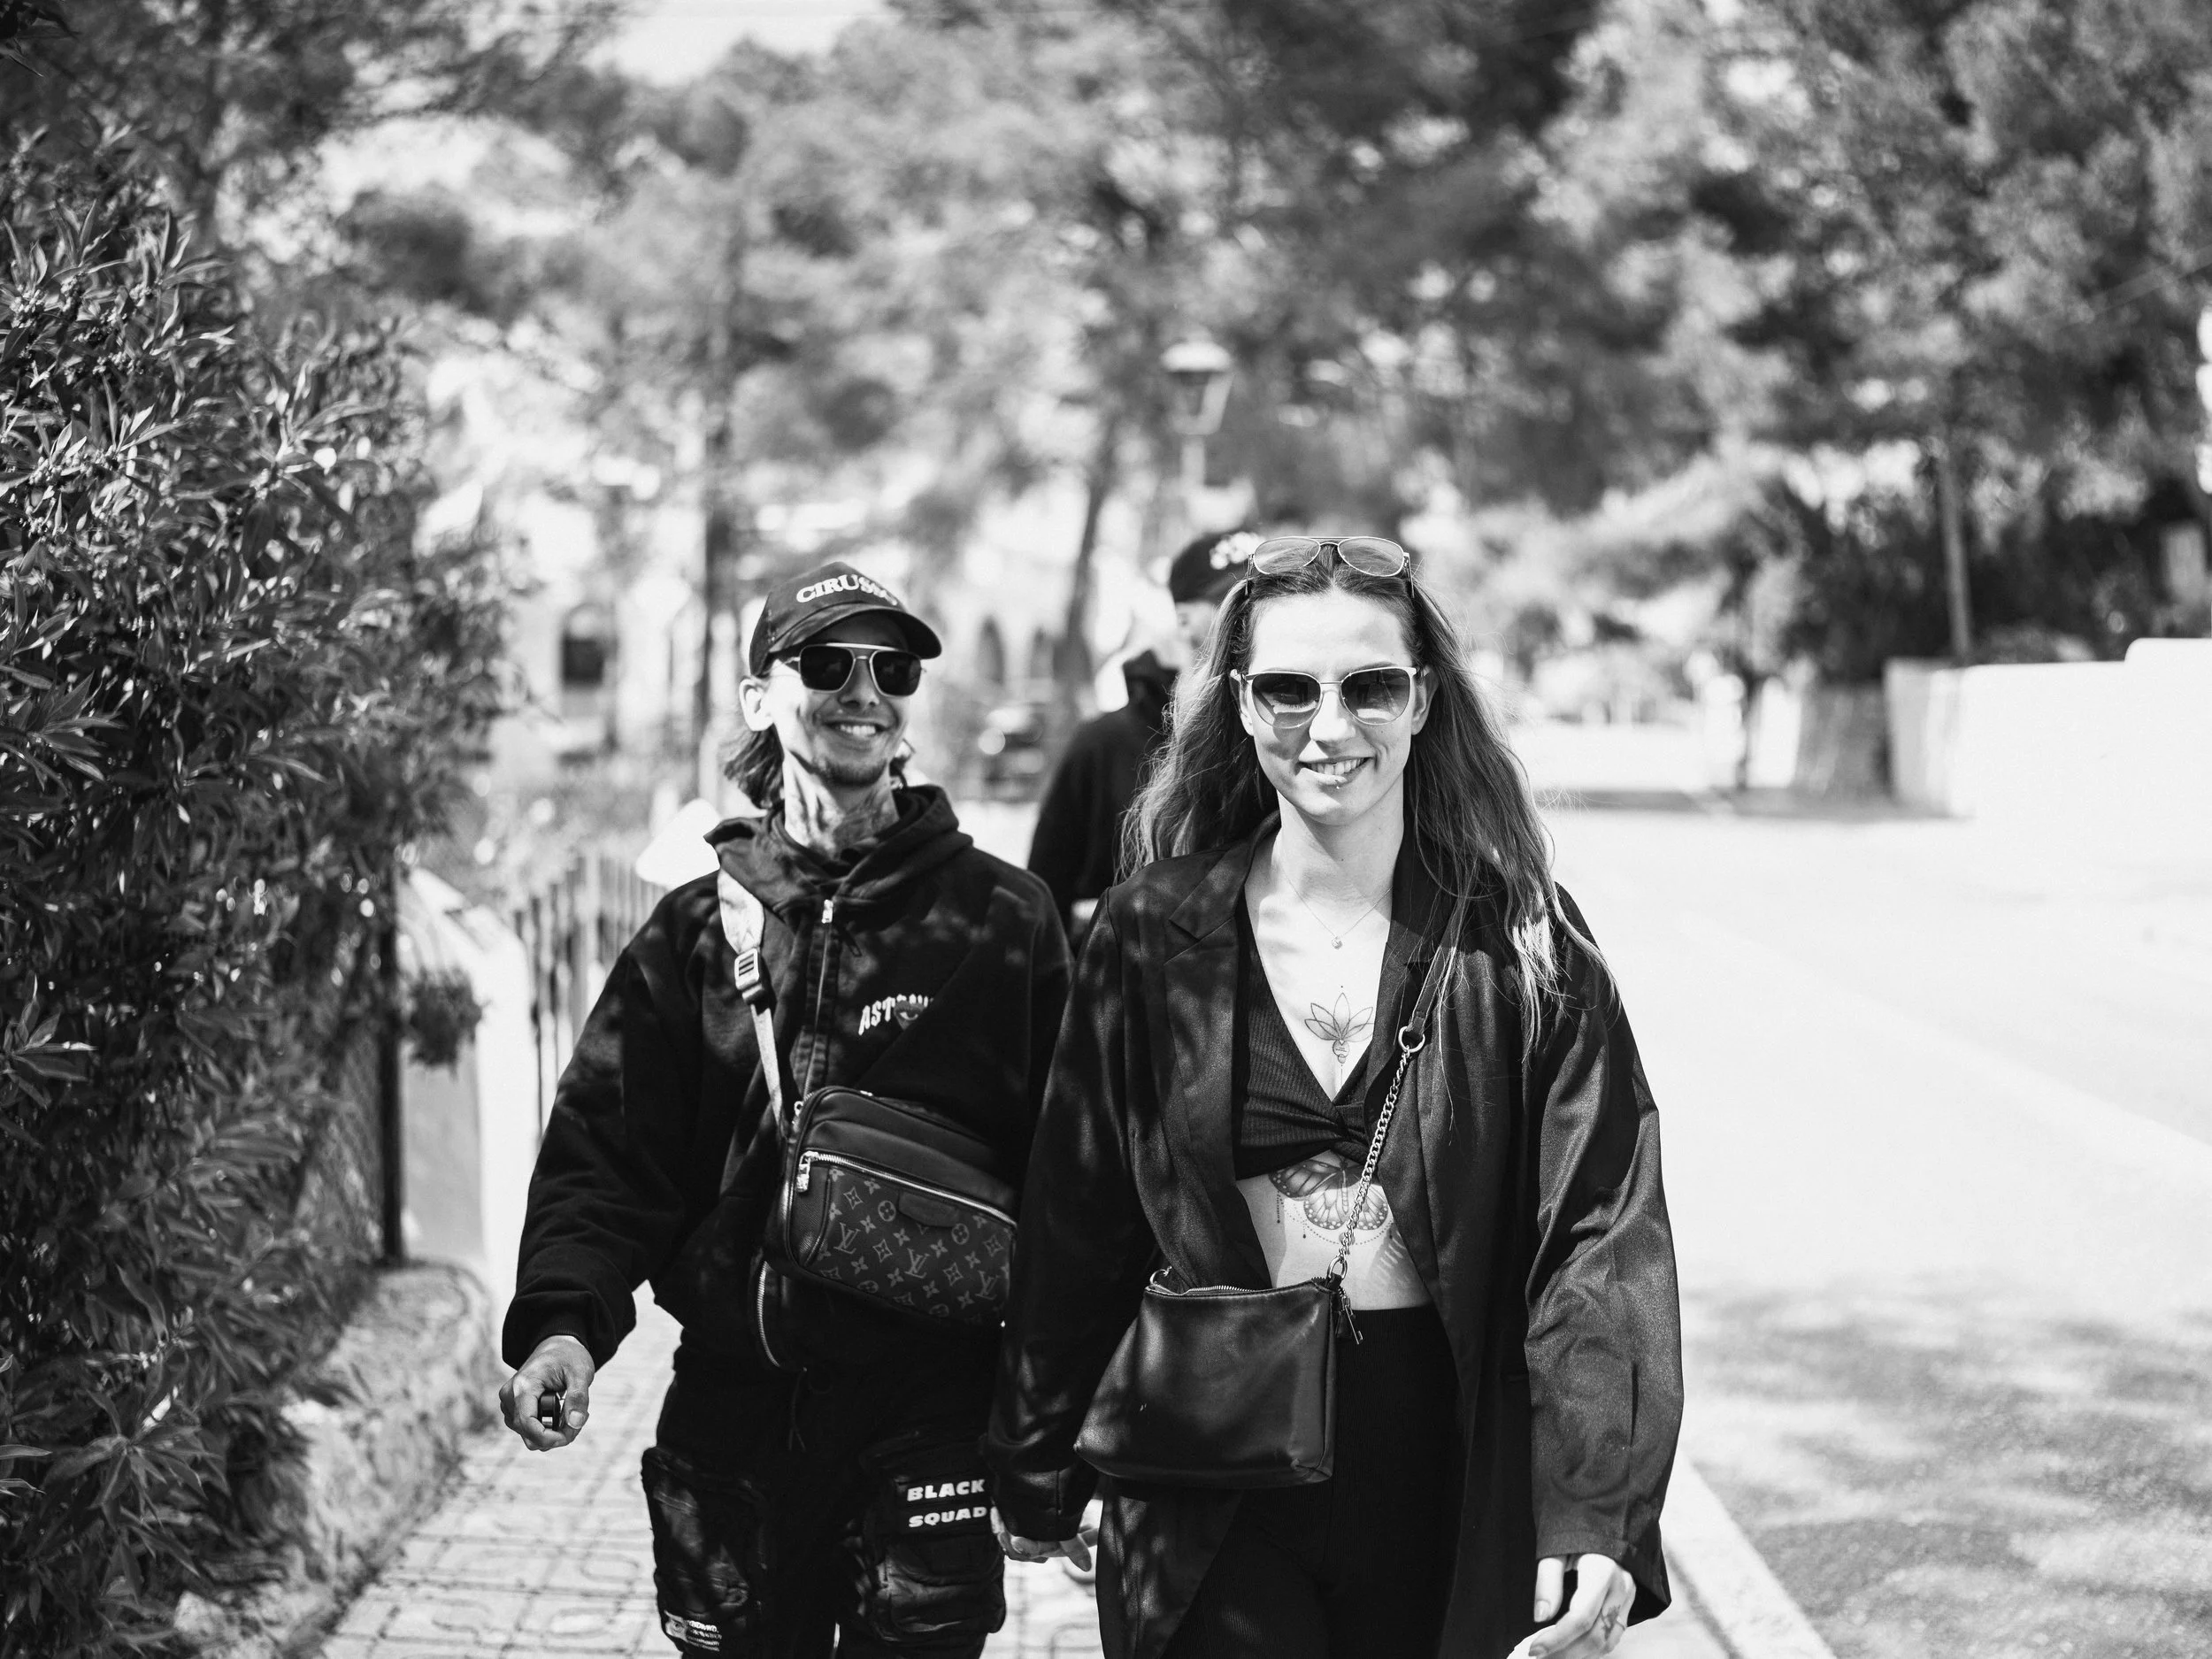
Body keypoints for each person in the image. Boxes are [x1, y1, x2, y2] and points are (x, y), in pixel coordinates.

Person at [985, 536, 1682, 1659]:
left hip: (1440, 1464)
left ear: (1423, 702)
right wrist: (1037, 1459)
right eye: (1287, 690)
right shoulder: (1149, 933)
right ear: (1238, 706)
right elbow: (1081, 1214)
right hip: (1204, 1460)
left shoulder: (1521, 940)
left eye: (1370, 686)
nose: (1329, 726)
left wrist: (1594, 1507)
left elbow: (1598, 1236)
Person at [499, 561, 1070, 1658]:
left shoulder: (1008, 922)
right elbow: (605, 1158)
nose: (862, 690)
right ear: (760, 696)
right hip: (735, 1416)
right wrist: (565, 1327)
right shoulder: (690, 935)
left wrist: (1049, 1432)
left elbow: (1073, 1190)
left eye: (889, 666)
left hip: (934, 1417)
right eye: (825, 662)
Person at [1025, 531, 1256, 942]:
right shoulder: (1102, 744)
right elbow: (1043, 902)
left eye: (1263, 595)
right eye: (1232, 598)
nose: (1252, 610)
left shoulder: (1276, 738)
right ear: (1183, 619)